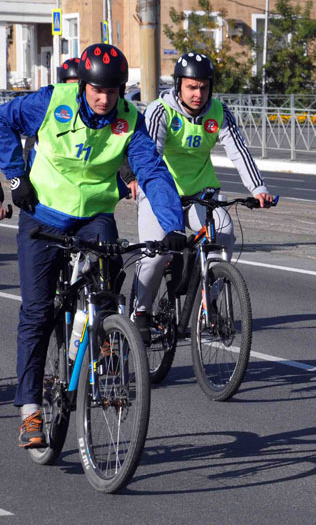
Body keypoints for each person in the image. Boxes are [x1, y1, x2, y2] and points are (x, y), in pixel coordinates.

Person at [0, 43, 186, 448]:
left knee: (105, 293)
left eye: (114, 91)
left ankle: (103, 352)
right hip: (43, 215)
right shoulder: (53, 101)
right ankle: (30, 409)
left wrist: (174, 227)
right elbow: (2, 121)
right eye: (97, 91)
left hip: (94, 216)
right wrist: (16, 178)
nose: (105, 99)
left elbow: (151, 170)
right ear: (83, 85)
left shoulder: (128, 120)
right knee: (36, 312)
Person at [130, 52, 273, 341]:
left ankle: (210, 300)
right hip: (160, 195)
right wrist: (141, 185)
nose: (198, 94)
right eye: (192, 87)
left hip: (199, 194)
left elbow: (239, 152)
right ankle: (141, 311)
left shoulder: (218, 113)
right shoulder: (160, 111)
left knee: (224, 233)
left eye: (204, 87)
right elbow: (149, 158)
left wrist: (258, 189)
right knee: (156, 254)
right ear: (179, 86)